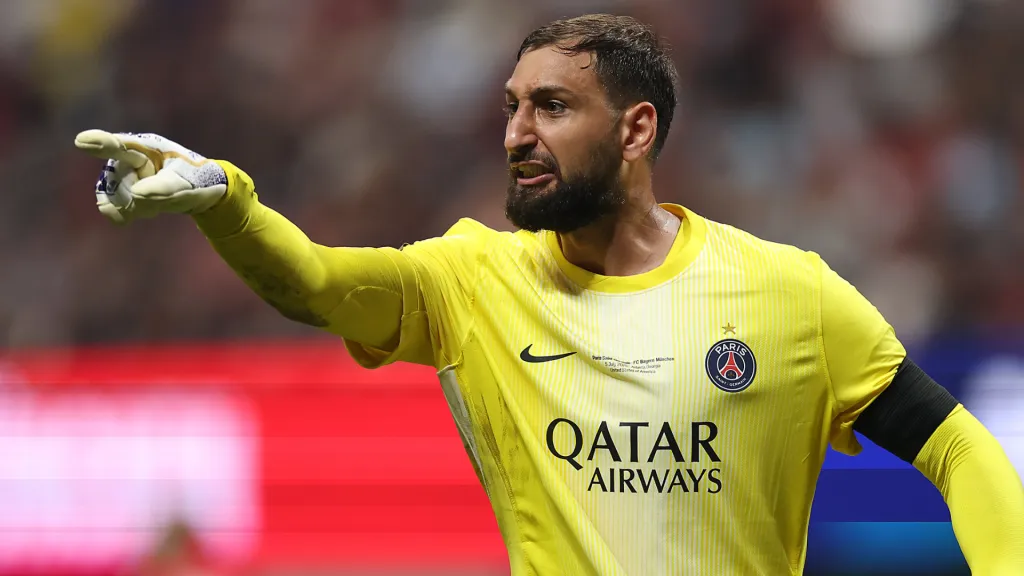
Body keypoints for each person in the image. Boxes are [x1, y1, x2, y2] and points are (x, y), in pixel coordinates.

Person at [75, 13, 1023, 576]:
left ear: (636, 129)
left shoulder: (789, 294)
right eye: (511, 108)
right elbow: (316, 285)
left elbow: (957, 449)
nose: (518, 133)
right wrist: (225, 201)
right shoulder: (471, 280)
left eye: (553, 108)